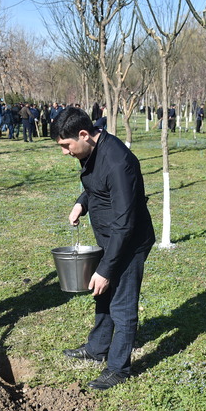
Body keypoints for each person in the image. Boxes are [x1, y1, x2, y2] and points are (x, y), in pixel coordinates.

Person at [51, 107, 155, 390]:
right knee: (103, 294)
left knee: (122, 303)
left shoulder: (119, 162)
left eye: (65, 145)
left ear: (84, 134)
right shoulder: (92, 149)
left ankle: (118, 368)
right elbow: (98, 186)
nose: (65, 152)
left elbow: (125, 223)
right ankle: (97, 348)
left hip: (129, 241)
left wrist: (107, 268)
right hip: (110, 237)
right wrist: (81, 202)